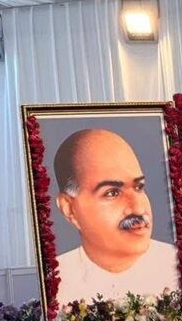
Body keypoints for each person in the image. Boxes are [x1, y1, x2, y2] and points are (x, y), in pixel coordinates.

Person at [53, 128, 178, 303]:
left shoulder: (175, 265)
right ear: (69, 209)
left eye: (139, 187)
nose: (138, 208)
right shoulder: (57, 282)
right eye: (112, 193)